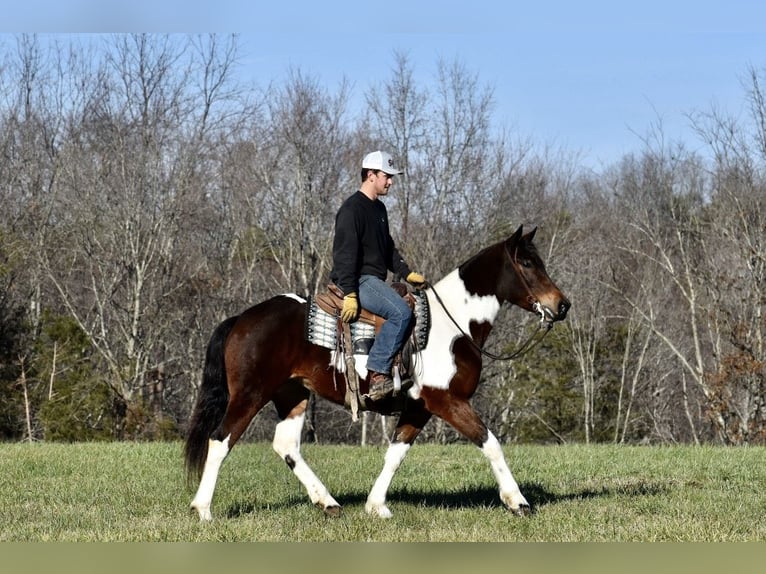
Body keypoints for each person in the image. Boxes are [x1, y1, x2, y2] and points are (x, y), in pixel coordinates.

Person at [330, 150, 425, 401]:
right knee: (401, 313)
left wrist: (407, 272)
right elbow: (344, 257)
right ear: (371, 175)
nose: (391, 182)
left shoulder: (379, 209)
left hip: (373, 281)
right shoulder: (352, 210)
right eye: (387, 176)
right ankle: (378, 375)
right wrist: (350, 293)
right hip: (360, 280)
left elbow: (387, 248)